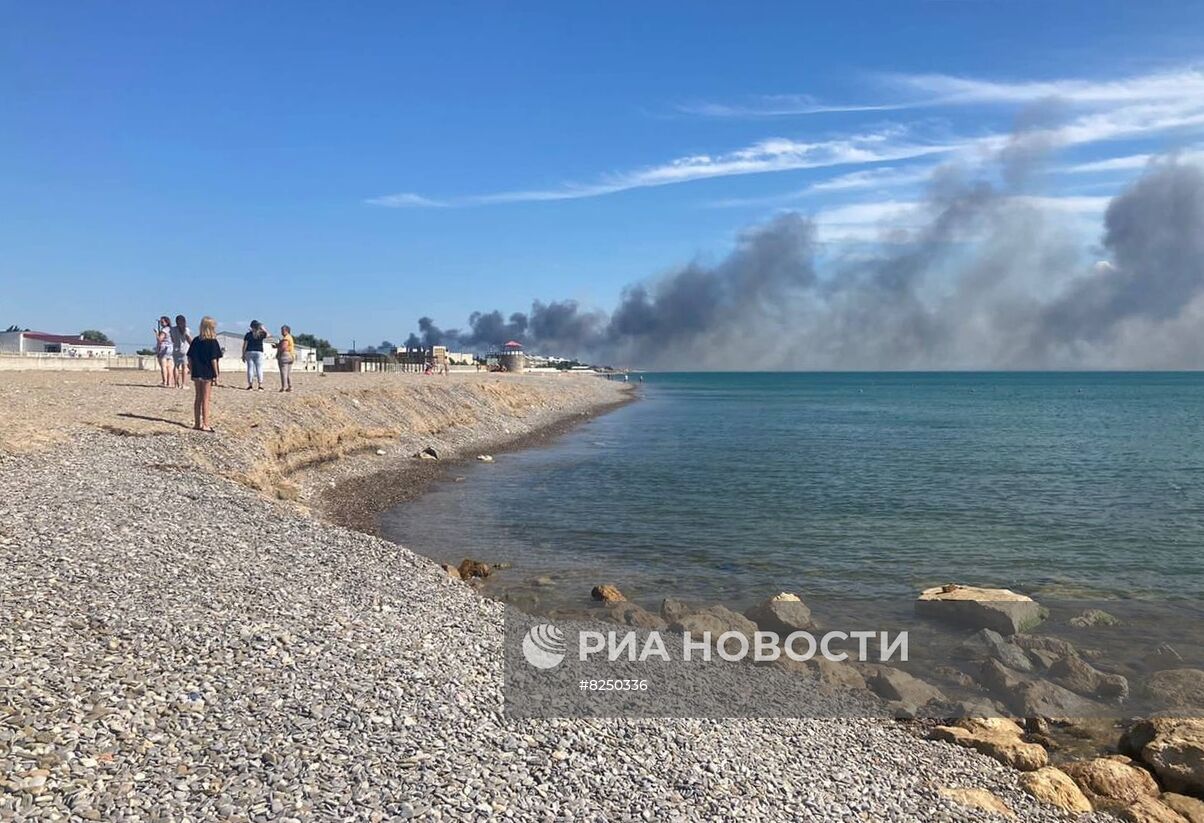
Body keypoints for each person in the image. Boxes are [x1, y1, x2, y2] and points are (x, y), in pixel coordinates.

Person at [187, 316, 222, 431]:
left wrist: (191, 370)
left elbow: (190, 357)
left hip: (197, 372)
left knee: (198, 398)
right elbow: (214, 360)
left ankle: (197, 423)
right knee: (206, 399)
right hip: (207, 373)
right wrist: (216, 375)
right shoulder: (213, 342)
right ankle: (205, 424)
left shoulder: (196, 341)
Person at [241, 320, 269, 390]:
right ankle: (260, 385)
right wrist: (263, 327)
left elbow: (244, 345)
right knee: (259, 368)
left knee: (250, 368)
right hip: (259, 352)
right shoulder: (261, 334)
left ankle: (250, 385)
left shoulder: (248, 334)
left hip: (249, 351)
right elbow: (269, 334)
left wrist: (243, 354)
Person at [169, 315, 192, 388]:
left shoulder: (172, 329)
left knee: (176, 366)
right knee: (184, 367)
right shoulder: (186, 329)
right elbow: (189, 339)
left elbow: (172, 340)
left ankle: (176, 384)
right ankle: (183, 384)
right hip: (184, 349)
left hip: (175, 349)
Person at [154, 316, 173, 387]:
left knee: (164, 366)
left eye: (162, 322)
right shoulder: (171, 329)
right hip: (171, 349)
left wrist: (156, 333)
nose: (161, 324)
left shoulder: (164, 330)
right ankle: (169, 382)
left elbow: (160, 340)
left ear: (166, 322)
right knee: (170, 367)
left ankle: (164, 381)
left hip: (164, 349)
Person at [276, 324, 295, 392]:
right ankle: (290, 386)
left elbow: (284, 347)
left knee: (283, 372)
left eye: (282, 330)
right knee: (288, 373)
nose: (281, 332)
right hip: (291, 355)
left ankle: (283, 387)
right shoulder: (290, 337)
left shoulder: (286, 338)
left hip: (285, 355)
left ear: (286, 331)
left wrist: (278, 353)